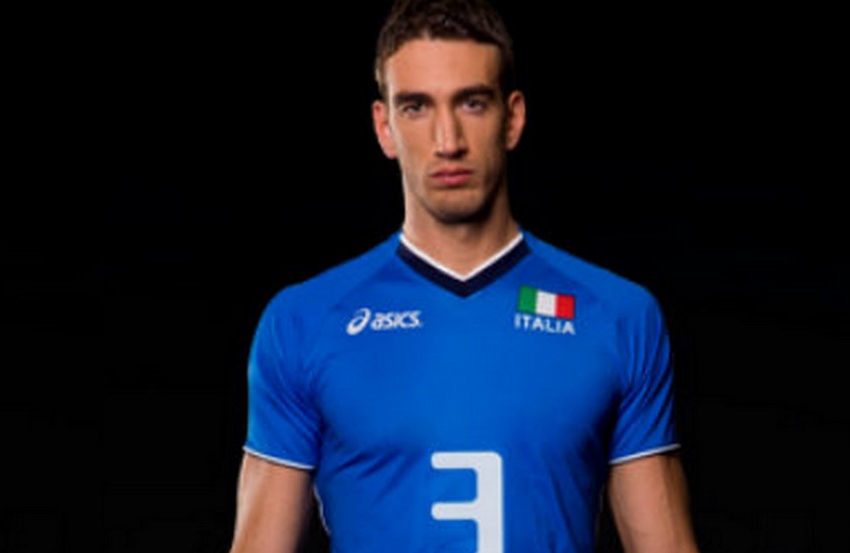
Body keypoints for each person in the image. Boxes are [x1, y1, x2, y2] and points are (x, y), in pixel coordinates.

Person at [228, 0, 700, 551]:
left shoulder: (617, 316)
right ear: (384, 127)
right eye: (416, 107)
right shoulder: (303, 322)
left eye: (472, 103)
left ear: (512, 118)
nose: (447, 140)